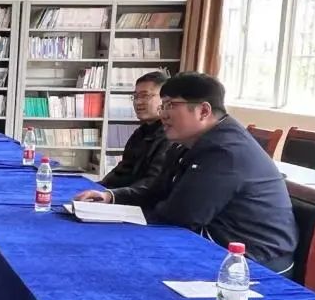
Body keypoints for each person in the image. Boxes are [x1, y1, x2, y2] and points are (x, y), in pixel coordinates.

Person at [76, 72, 297, 272]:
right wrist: (111, 197)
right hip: (208, 240)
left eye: (170, 105)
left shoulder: (226, 151)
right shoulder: (185, 143)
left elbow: (181, 217)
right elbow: (156, 191)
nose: (163, 114)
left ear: (203, 111)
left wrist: (120, 218)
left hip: (252, 261)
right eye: (163, 106)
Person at [96, 71, 171, 202]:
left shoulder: (170, 135)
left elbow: (152, 183)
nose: (138, 102)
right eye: (135, 97)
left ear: (165, 99)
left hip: (142, 203)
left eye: (145, 96)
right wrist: (98, 188)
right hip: (124, 198)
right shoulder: (140, 133)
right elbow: (122, 171)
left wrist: (112, 196)